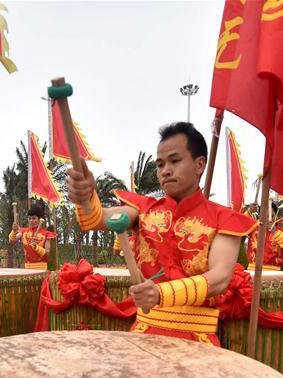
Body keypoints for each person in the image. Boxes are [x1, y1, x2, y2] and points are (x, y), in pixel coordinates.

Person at [66, 122, 255, 345]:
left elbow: (220, 279)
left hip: (198, 341)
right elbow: (98, 218)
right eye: (160, 164)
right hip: (145, 335)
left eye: (175, 161)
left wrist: (161, 294)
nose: (165, 170)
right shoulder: (144, 209)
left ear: (199, 164)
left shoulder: (224, 219)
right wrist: (86, 198)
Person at [245, 200, 283, 271]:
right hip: (252, 270)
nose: (268, 219)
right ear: (260, 216)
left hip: (273, 272)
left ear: (276, 217)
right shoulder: (253, 227)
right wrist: (249, 211)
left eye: (272, 216)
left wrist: (275, 232)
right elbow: (238, 225)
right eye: (265, 216)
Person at [9, 202, 56, 270]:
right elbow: (11, 241)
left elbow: (47, 254)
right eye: (29, 218)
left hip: (41, 267)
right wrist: (14, 231)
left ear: (40, 219)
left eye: (34, 218)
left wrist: (36, 247)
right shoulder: (23, 232)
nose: (31, 221)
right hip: (27, 268)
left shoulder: (46, 234)